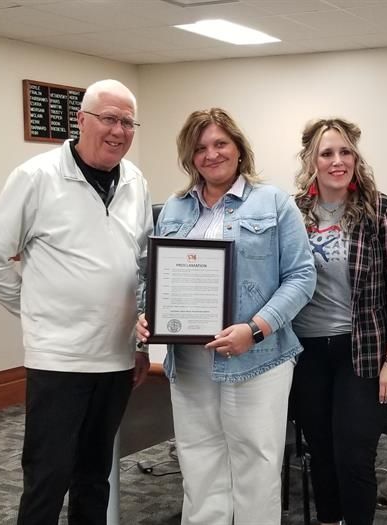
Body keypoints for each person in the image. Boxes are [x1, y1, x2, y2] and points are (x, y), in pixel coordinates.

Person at [0, 79, 152, 525]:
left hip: (116, 358)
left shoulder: (135, 181)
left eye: (128, 122)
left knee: (95, 475)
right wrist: (33, 307)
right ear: (82, 120)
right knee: (48, 476)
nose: (118, 130)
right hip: (59, 359)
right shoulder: (37, 177)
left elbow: (144, 264)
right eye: (108, 118)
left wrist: (142, 342)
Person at [135, 108, 315, 525]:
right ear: (189, 156)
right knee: (198, 462)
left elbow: (302, 277)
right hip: (192, 361)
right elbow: (153, 276)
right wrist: (148, 314)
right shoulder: (175, 209)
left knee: (256, 463)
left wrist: (255, 329)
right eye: (200, 148)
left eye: (220, 144)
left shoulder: (274, 202)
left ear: (238, 148)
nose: (211, 154)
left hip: (258, 356)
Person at [289, 118, 387, 525]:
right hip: (306, 351)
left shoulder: (378, 209)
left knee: (353, 454)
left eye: (345, 152)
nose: (337, 161)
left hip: (361, 350)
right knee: (321, 451)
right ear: (312, 159)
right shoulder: (294, 212)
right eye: (327, 153)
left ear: (356, 157)